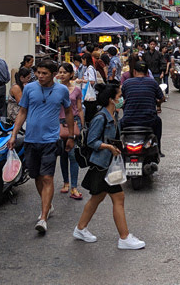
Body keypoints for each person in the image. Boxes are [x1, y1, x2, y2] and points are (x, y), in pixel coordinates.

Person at [74, 84, 145, 249]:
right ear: (111, 99)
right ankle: (124, 237)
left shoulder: (114, 116)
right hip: (102, 165)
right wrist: (109, 147)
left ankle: (80, 228)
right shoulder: (101, 118)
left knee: (97, 197)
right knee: (118, 197)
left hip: (108, 164)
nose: (121, 99)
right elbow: (91, 141)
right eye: (119, 96)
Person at [7, 59, 73, 234]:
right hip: (31, 140)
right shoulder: (29, 88)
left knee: (47, 178)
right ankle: (48, 205)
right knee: (36, 176)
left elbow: (68, 112)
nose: (40, 76)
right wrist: (14, 134)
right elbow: (22, 112)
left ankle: (43, 217)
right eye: (38, 73)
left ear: (53, 75)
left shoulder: (62, 90)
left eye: (44, 73)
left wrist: (72, 136)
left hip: (51, 140)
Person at [121, 60, 165, 156]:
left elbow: (123, 99)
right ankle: (158, 149)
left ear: (134, 72)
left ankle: (117, 149)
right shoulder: (153, 83)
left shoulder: (126, 83)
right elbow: (162, 98)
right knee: (158, 122)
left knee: (118, 126)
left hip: (128, 120)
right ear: (146, 72)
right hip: (149, 120)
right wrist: (158, 102)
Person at [57, 62, 83, 200]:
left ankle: (74, 186)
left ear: (71, 74)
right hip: (59, 123)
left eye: (64, 72)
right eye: (60, 72)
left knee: (73, 155)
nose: (62, 74)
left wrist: (83, 126)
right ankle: (65, 182)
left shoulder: (77, 90)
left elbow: (79, 109)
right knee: (63, 155)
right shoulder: (55, 89)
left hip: (73, 123)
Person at [78, 53, 100, 124]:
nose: (82, 62)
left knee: (89, 114)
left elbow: (92, 81)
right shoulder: (89, 68)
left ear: (86, 60)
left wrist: (82, 80)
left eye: (83, 61)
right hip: (88, 93)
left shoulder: (90, 68)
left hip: (90, 94)